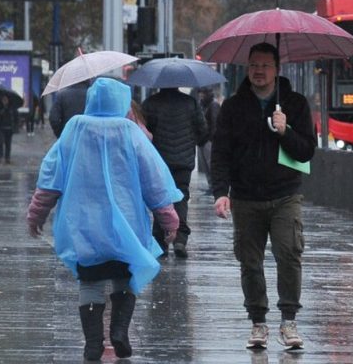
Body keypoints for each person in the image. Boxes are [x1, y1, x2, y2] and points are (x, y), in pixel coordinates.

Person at [26, 77, 182, 361]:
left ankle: (93, 342)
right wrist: (168, 218)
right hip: (126, 224)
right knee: (123, 277)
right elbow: (153, 180)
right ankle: (119, 331)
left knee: (90, 282)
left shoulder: (75, 129)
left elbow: (51, 177)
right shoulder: (130, 132)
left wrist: (37, 214)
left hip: (84, 224)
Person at [211, 42, 316, 350]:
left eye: (265, 65)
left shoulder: (295, 104)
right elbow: (221, 153)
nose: (259, 71)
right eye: (253, 65)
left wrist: (286, 131)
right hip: (246, 197)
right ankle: (258, 322)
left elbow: (307, 150)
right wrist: (221, 192)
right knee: (250, 261)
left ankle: (289, 320)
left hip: (285, 194)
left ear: (277, 69)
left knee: (289, 253)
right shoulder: (233, 107)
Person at [143, 87, 208, 258]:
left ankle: (160, 241)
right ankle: (180, 239)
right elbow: (202, 131)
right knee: (181, 197)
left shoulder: (151, 103)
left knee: (160, 198)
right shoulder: (191, 103)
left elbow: (144, 131)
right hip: (183, 162)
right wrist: (191, 141)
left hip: (159, 161)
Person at [197, 86, 221, 191]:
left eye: (202, 93)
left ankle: (215, 185)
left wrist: (211, 139)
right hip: (202, 140)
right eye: (200, 93)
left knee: (211, 164)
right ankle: (211, 185)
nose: (200, 95)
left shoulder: (213, 105)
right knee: (205, 166)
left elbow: (215, 123)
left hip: (208, 140)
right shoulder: (201, 105)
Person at [0, 95, 18, 164]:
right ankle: (0, 156)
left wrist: (15, 126)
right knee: (0, 141)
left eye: (6, 99)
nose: (5, 101)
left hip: (9, 128)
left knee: (8, 143)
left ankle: (7, 157)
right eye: (3, 99)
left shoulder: (12, 107)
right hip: (0, 127)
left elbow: (16, 117)